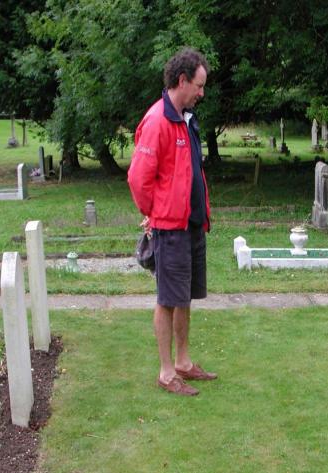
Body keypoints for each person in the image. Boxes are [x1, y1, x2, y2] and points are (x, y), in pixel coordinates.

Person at [128, 47, 217, 396]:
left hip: (192, 225)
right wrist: (153, 213)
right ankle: (166, 373)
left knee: (185, 297)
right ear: (182, 80)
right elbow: (138, 178)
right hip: (170, 228)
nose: (202, 92)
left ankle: (183, 362)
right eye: (199, 84)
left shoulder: (185, 119)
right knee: (168, 299)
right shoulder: (158, 121)